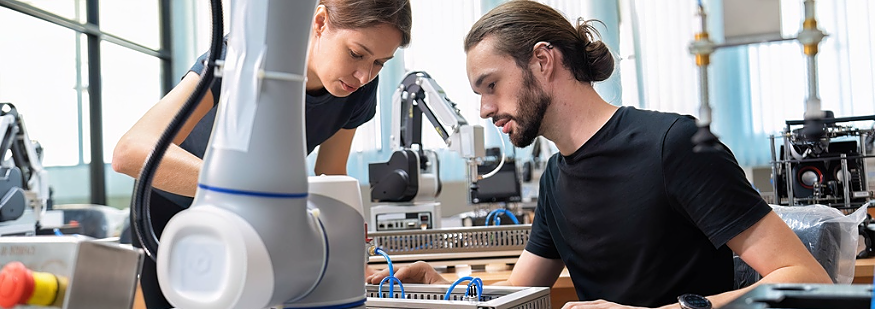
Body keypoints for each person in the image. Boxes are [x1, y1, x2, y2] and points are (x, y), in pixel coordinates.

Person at [366, 1, 831, 308]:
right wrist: (437, 285)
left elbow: (804, 277)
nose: (484, 109)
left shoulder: (674, 145)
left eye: (491, 86)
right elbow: (520, 291)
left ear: (543, 61)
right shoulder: (555, 177)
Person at [111, 0, 411, 307]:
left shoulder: (356, 90)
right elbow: (131, 152)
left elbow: (331, 175)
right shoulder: (242, 59)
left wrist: (350, 262)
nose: (364, 75)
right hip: (171, 224)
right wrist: (250, 192)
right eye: (356, 54)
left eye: (379, 63)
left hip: (250, 223)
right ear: (320, 22)